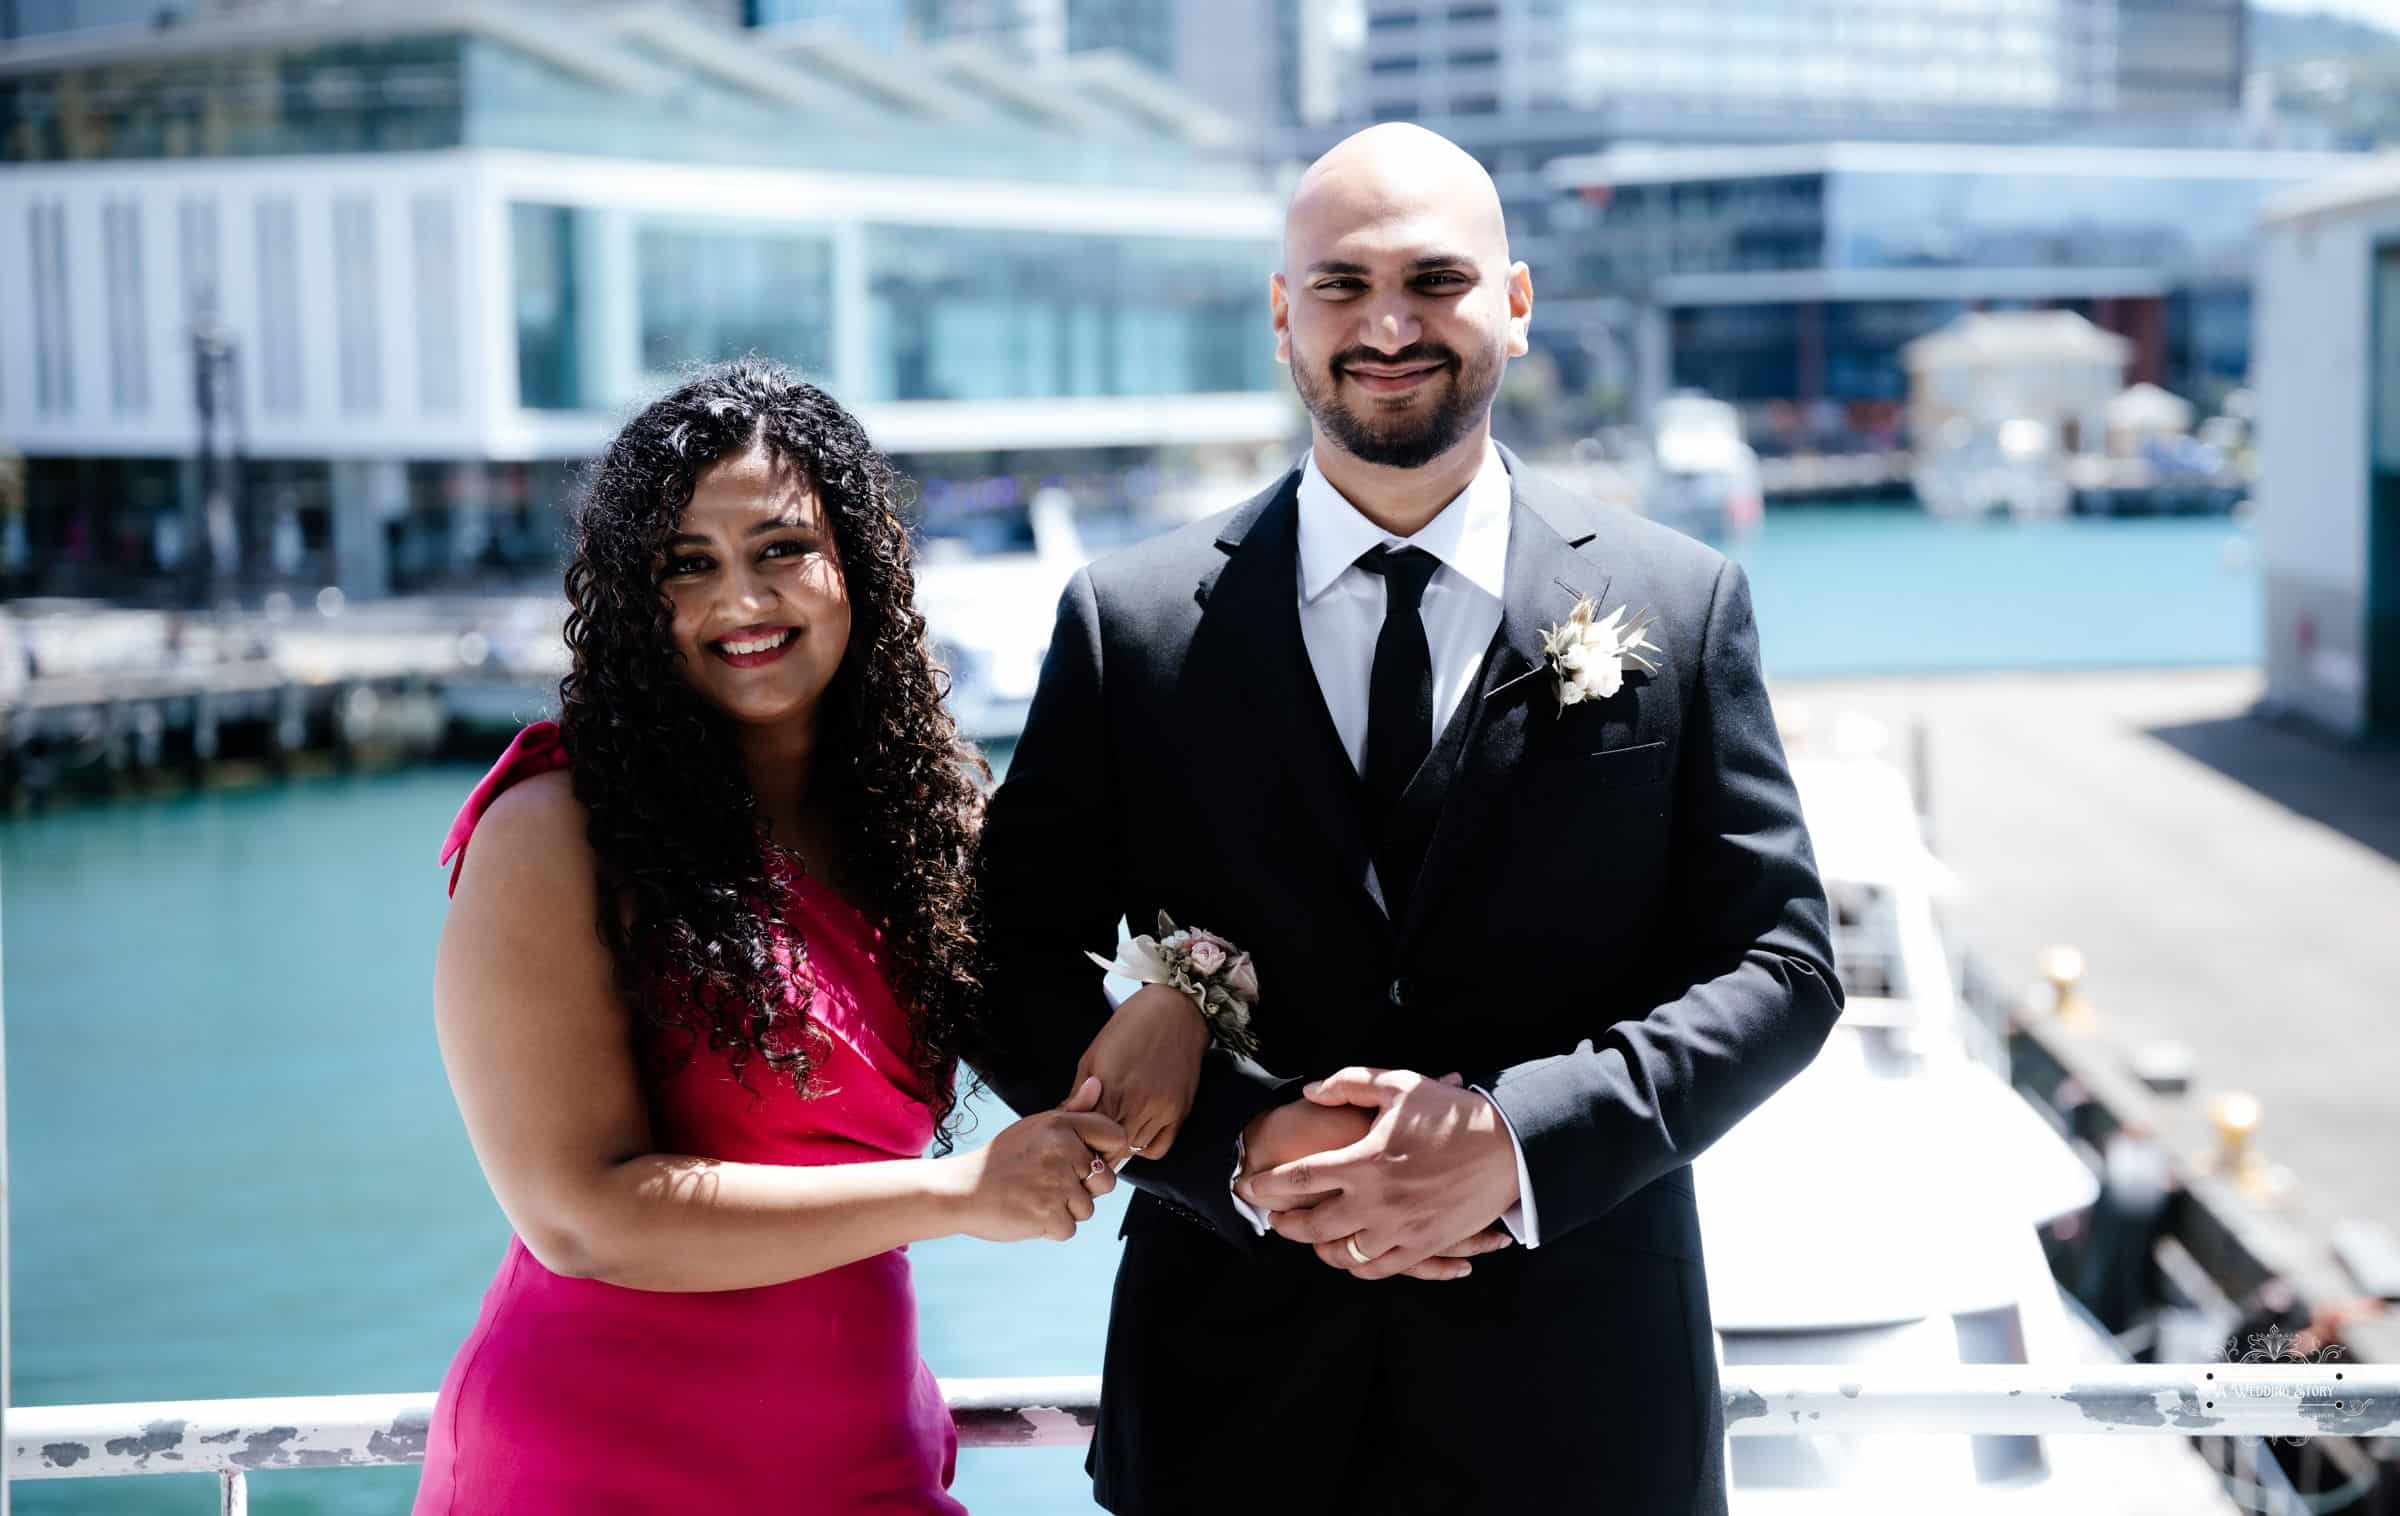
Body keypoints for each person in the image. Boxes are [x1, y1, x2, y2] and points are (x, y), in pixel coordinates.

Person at [970, 124, 1844, 1514]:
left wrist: (1519, 1142)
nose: (1387, 323)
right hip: (1227, 1411)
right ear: (1281, 314)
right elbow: (1000, 959)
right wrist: (1240, 1149)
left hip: (1587, 1412)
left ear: (1515, 300)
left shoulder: (1679, 604)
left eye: (1436, 278)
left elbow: (1784, 970)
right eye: (1340, 283)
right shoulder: (1127, 624)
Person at [414, 361, 1125, 1514]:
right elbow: (580, 1217)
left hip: (863, 1460)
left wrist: (1184, 1015)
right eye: (687, 565)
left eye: (780, 548)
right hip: (590, 1468)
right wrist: (956, 1194)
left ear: (857, 560)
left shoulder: (933, 813)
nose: (741, 599)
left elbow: (1073, 1006)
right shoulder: (554, 829)